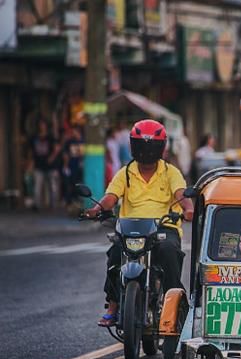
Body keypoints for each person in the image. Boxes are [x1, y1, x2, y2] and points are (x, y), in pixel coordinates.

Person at [84, 119, 194, 327]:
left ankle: (174, 306)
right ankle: (113, 305)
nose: (146, 151)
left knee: (169, 252)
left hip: (164, 227)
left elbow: (181, 193)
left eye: (150, 146)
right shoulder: (125, 172)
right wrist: (98, 209)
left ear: (160, 148)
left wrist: (189, 209)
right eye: (142, 146)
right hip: (131, 228)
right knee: (115, 255)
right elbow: (111, 196)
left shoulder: (171, 172)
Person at [30, 118, 62, 210]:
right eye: (40, 125)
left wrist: (52, 157)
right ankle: (37, 205)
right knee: (37, 186)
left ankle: (53, 205)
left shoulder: (50, 137)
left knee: (52, 187)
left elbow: (57, 148)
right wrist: (31, 163)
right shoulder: (34, 137)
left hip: (50, 166)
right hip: (38, 165)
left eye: (43, 125)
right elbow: (32, 152)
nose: (41, 127)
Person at [61, 126, 84, 209]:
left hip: (80, 167)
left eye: (74, 131)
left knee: (79, 184)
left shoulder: (83, 141)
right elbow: (65, 154)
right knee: (70, 184)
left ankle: (77, 200)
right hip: (72, 166)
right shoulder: (70, 141)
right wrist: (66, 165)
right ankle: (70, 201)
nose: (73, 133)